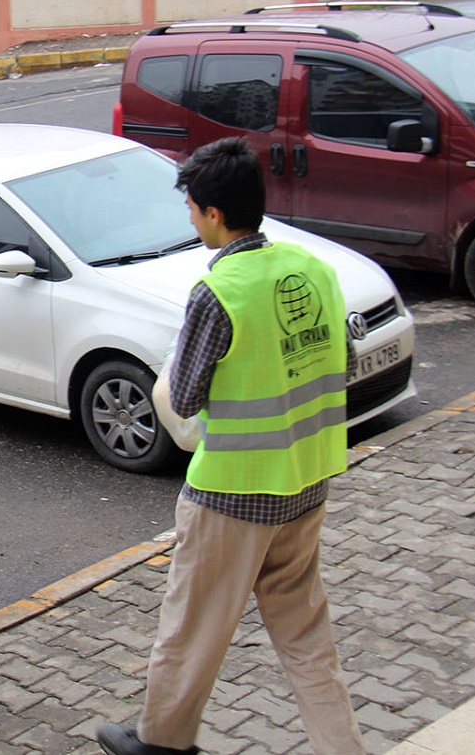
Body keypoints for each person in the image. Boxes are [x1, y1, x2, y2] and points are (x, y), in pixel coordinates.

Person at [97, 137, 364, 755]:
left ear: (213, 213)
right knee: (306, 635)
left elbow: (184, 397)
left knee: (191, 628)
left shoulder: (219, 291)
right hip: (307, 481)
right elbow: (341, 361)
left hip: (232, 494)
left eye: (191, 209)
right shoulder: (313, 269)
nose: (189, 219)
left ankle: (162, 742)